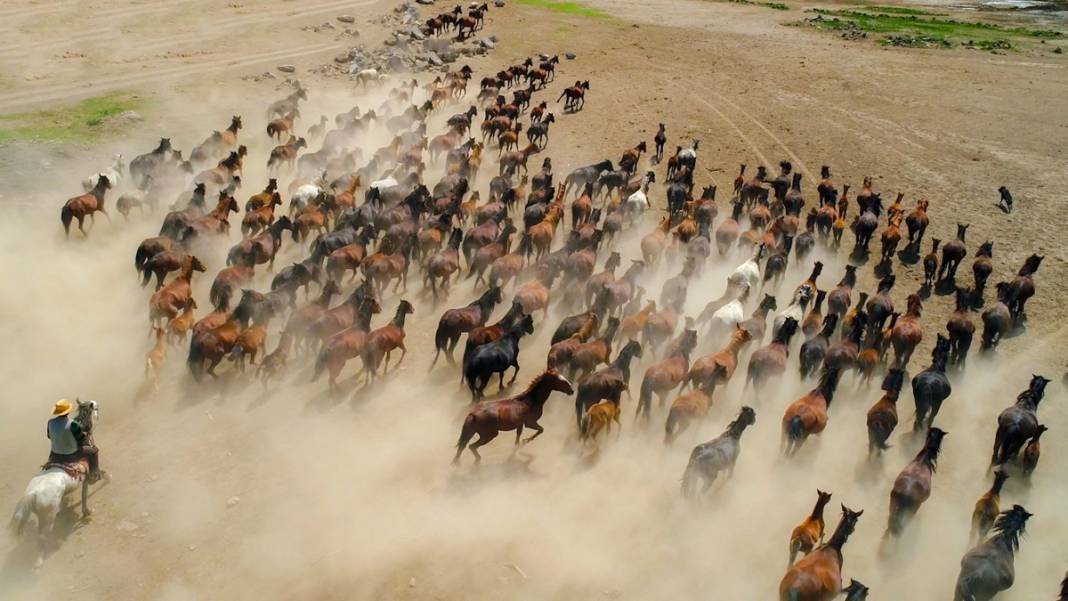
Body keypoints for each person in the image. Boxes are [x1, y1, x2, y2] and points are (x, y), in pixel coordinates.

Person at [46, 399, 99, 481]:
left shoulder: (50, 422)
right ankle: (93, 475)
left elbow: (49, 436)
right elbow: (81, 440)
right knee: (93, 452)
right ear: (68, 412)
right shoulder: (73, 424)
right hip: (71, 455)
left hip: (55, 455)